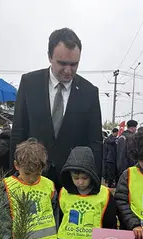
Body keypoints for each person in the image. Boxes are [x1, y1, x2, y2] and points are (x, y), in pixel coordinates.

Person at [10, 28, 103, 189]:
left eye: (74, 64)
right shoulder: (29, 83)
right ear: (49, 56)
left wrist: (93, 184)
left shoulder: (90, 92)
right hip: (31, 178)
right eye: (62, 63)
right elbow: (18, 131)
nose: (68, 70)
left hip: (72, 182)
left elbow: (95, 143)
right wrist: (14, 176)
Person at [113, 119, 138, 187]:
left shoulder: (121, 136)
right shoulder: (132, 138)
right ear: (133, 128)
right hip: (129, 166)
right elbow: (132, 155)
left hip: (119, 165)